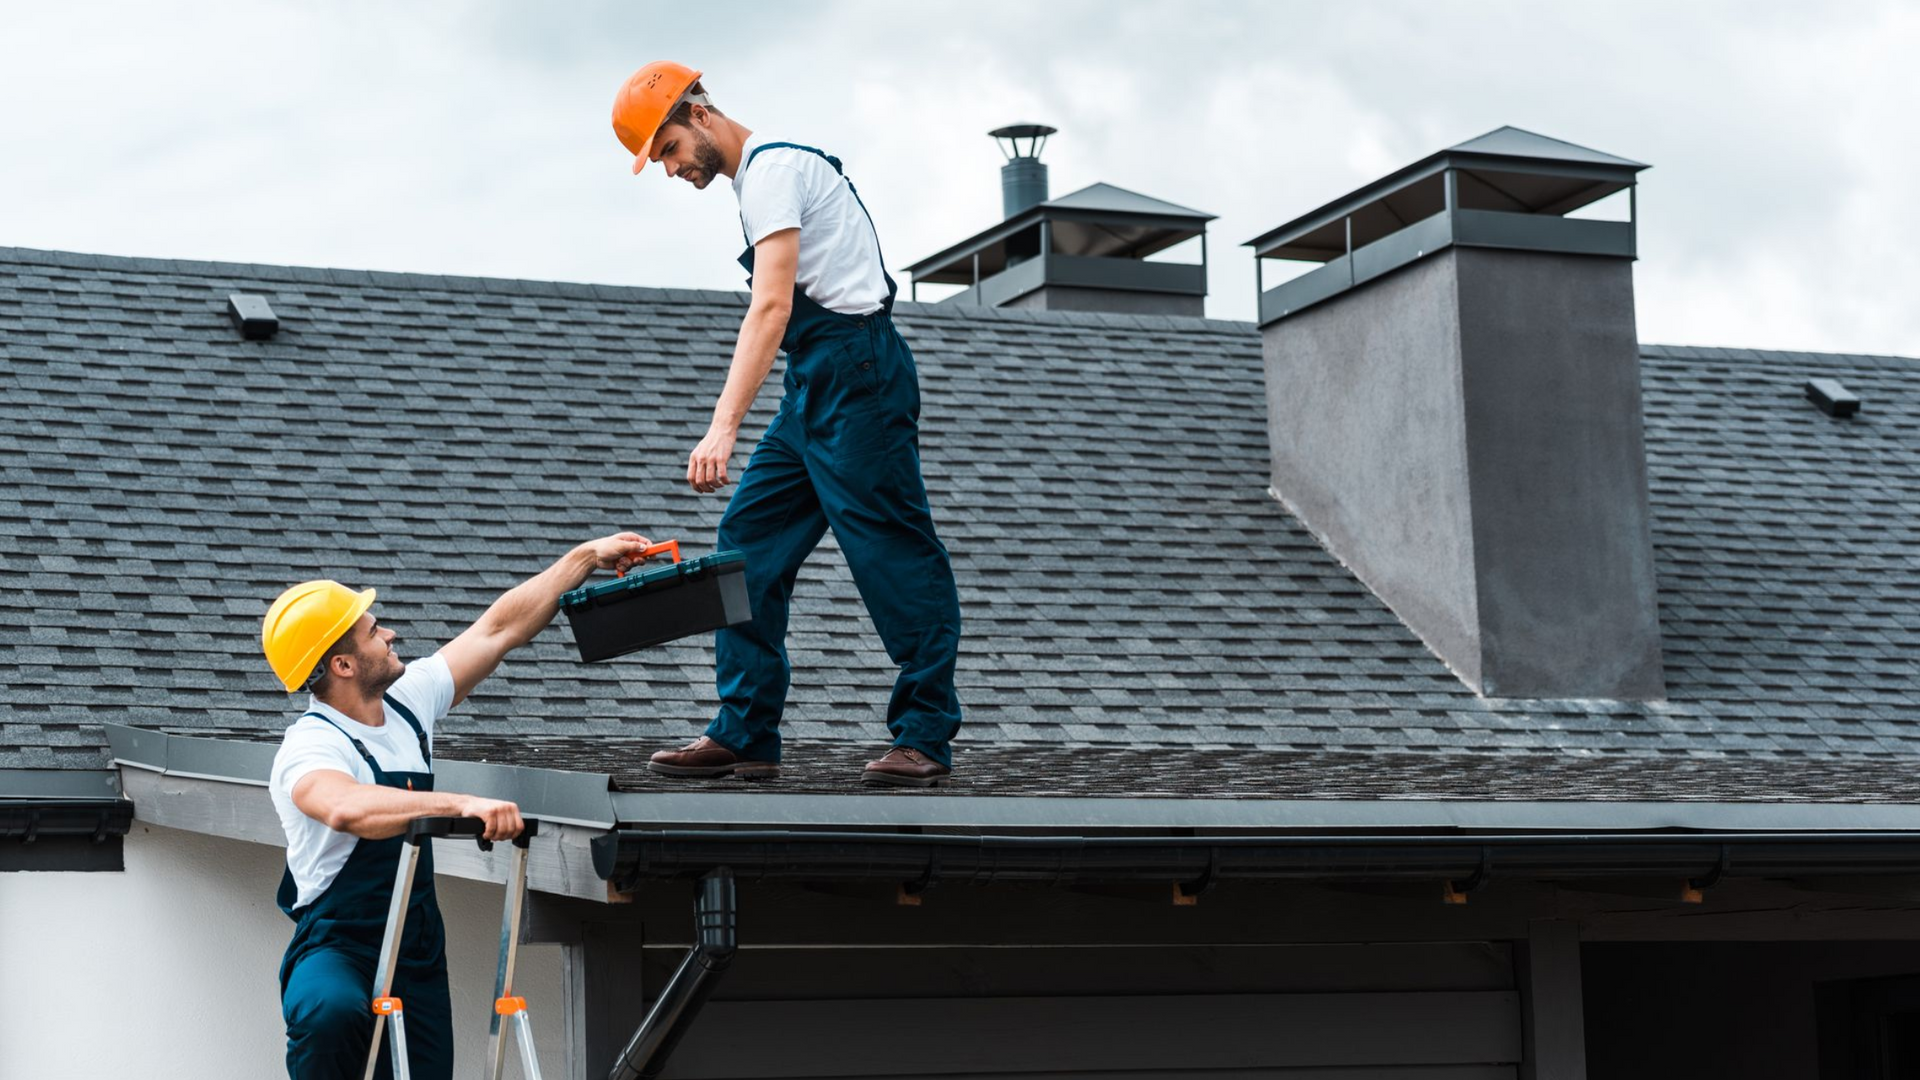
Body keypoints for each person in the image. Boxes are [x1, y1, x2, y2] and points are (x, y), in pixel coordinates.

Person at [610, 61, 964, 788]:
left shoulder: (773, 173)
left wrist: (721, 427)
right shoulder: (759, 183)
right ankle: (745, 733)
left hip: (856, 376)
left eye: (670, 150)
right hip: (816, 380)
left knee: (892, 551)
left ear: (699, 114)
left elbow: (771, 309)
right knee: (747, 545)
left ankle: (924, 735)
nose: (672, 170)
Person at [263, 532, 654, 1079]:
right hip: (338, 944)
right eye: (373, 631)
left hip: (416, 945)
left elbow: (499, 629)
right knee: (326, 1012)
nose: (390, 633)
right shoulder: (312, 744)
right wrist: (462, 802)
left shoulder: (405, 702)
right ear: (344, 665)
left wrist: (586, 556)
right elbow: (345, 807)